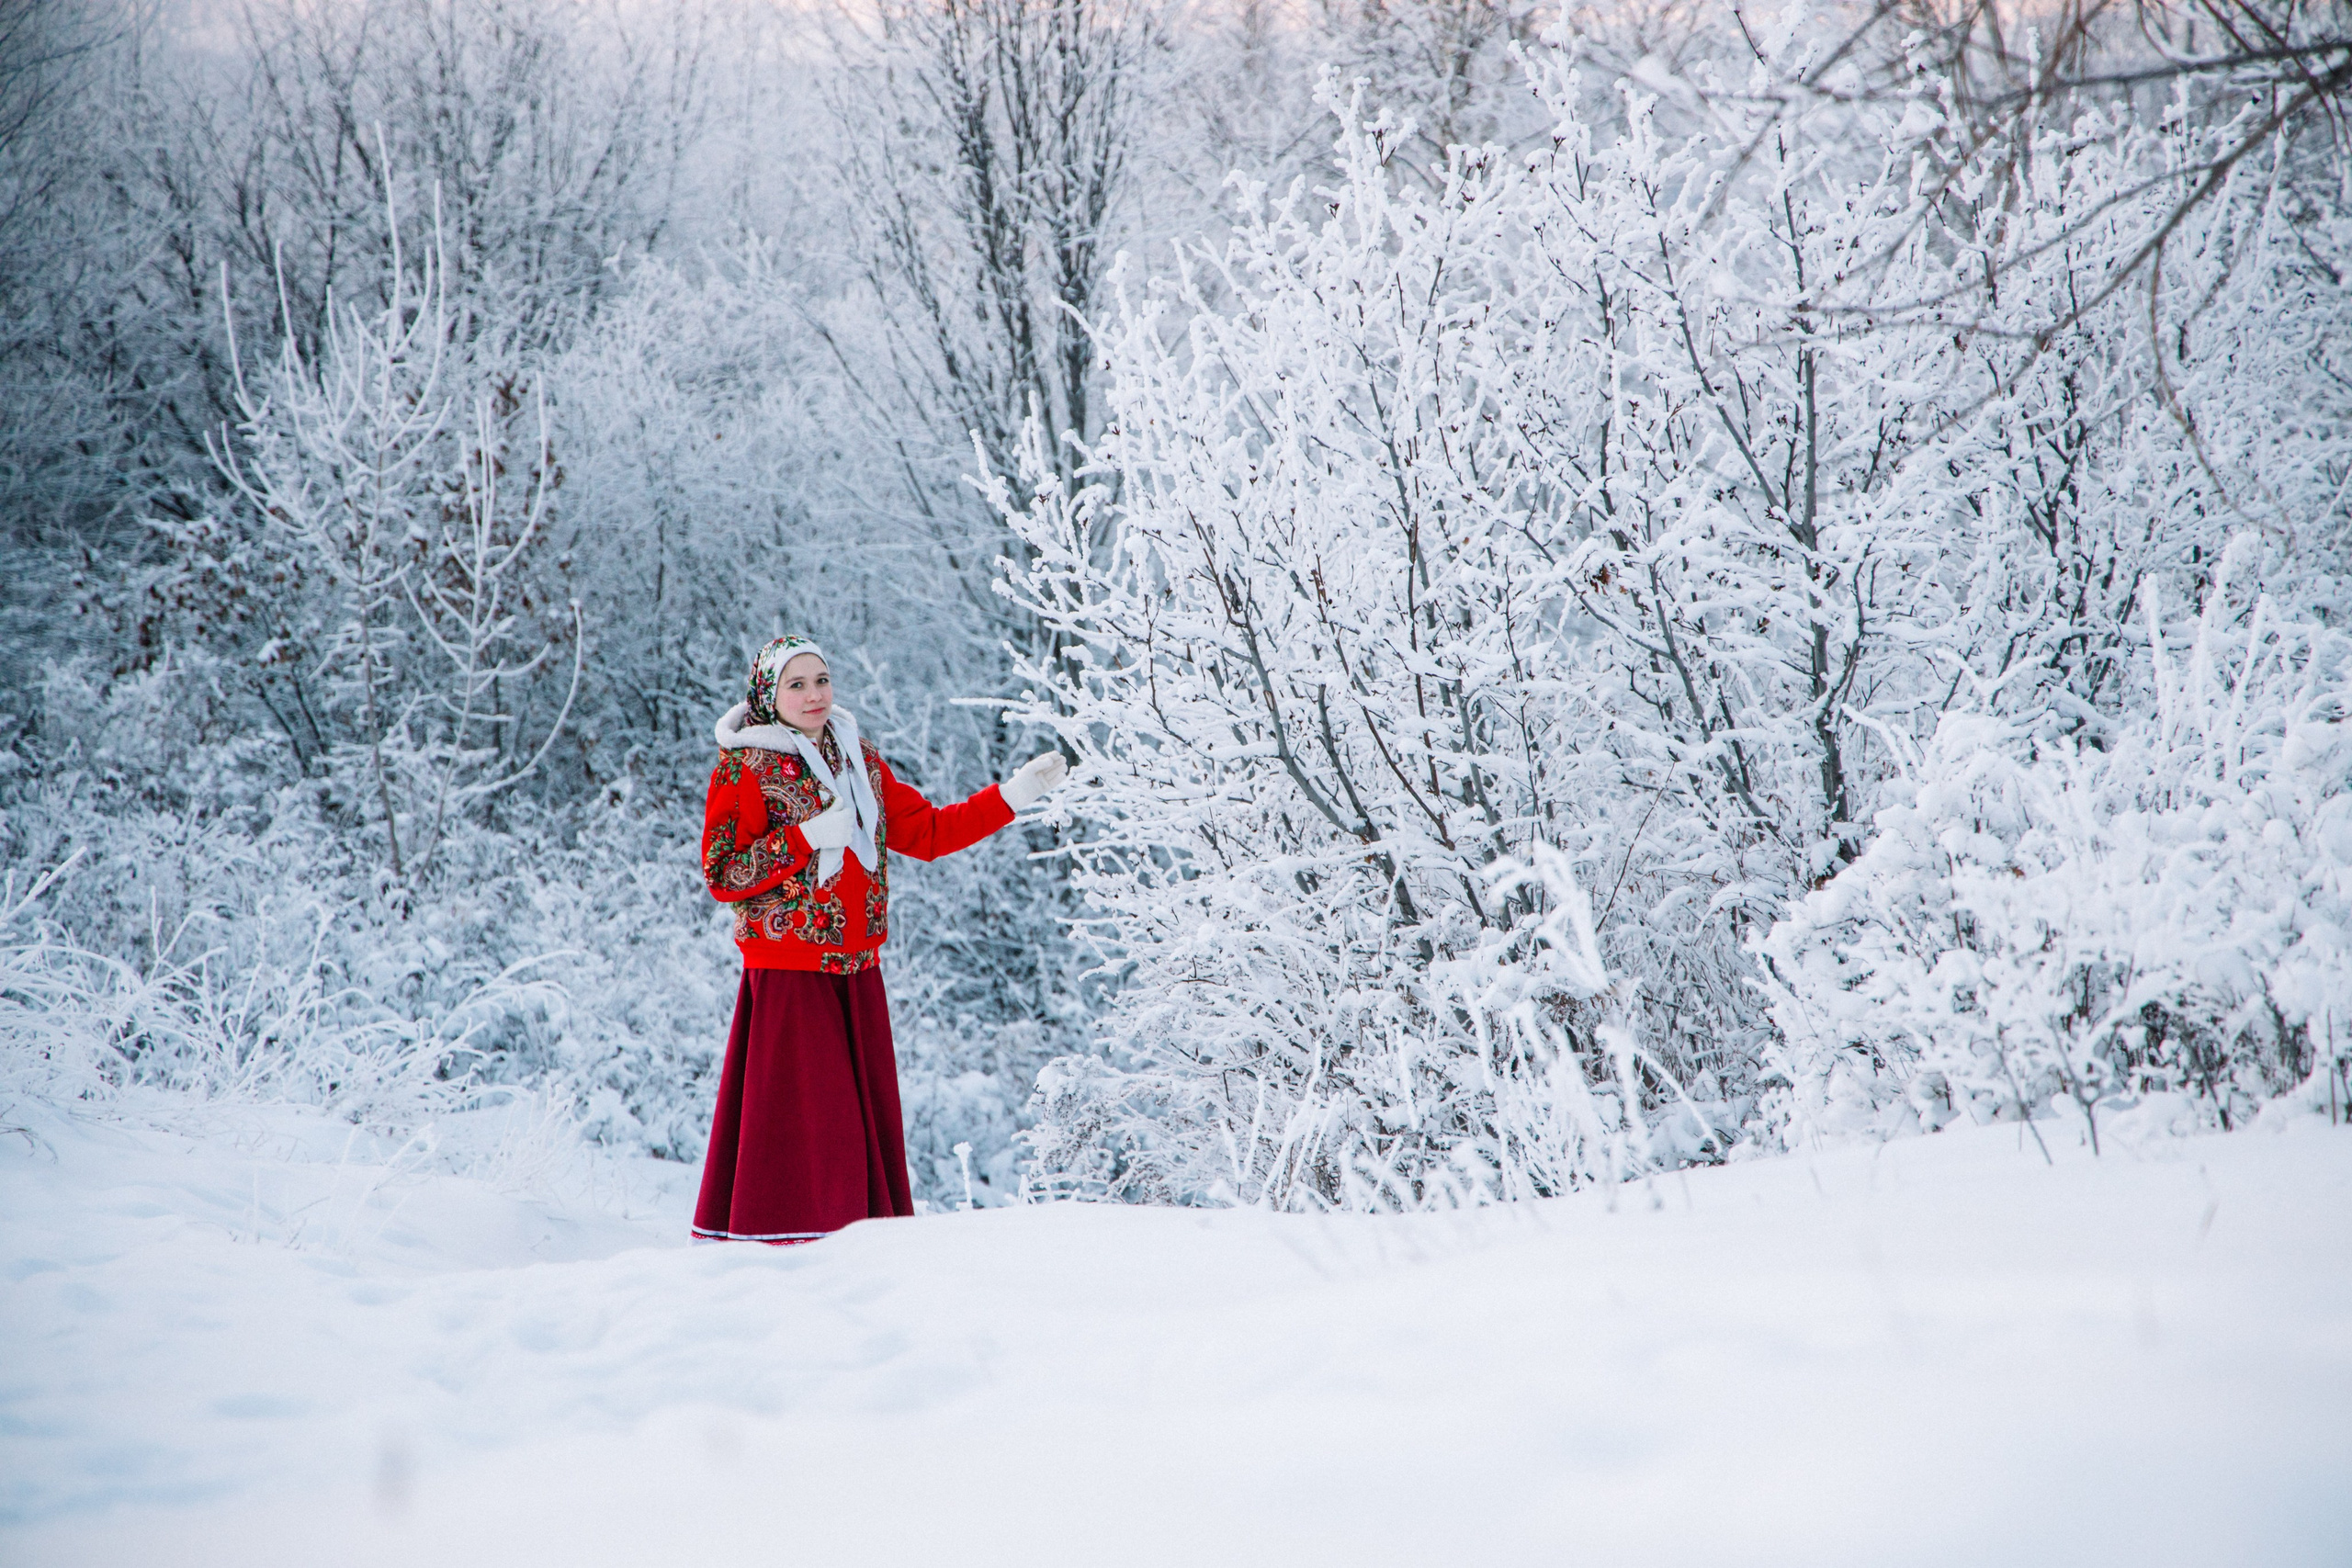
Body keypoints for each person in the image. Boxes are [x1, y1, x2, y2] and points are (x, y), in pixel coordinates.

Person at [692, 635, 1068, 1243]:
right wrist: (806, 837)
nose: (815, 694)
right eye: (797, 684)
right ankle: (790, 1248)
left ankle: (859, 1253)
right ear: (768, 694)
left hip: (858, 972)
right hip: (788, 971)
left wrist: (1012, 795)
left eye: (822, 679)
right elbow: (724, 872)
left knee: (854, 1124)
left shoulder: (858, 762)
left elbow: (930, 832)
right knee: (815, 1122)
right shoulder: (746, 767)